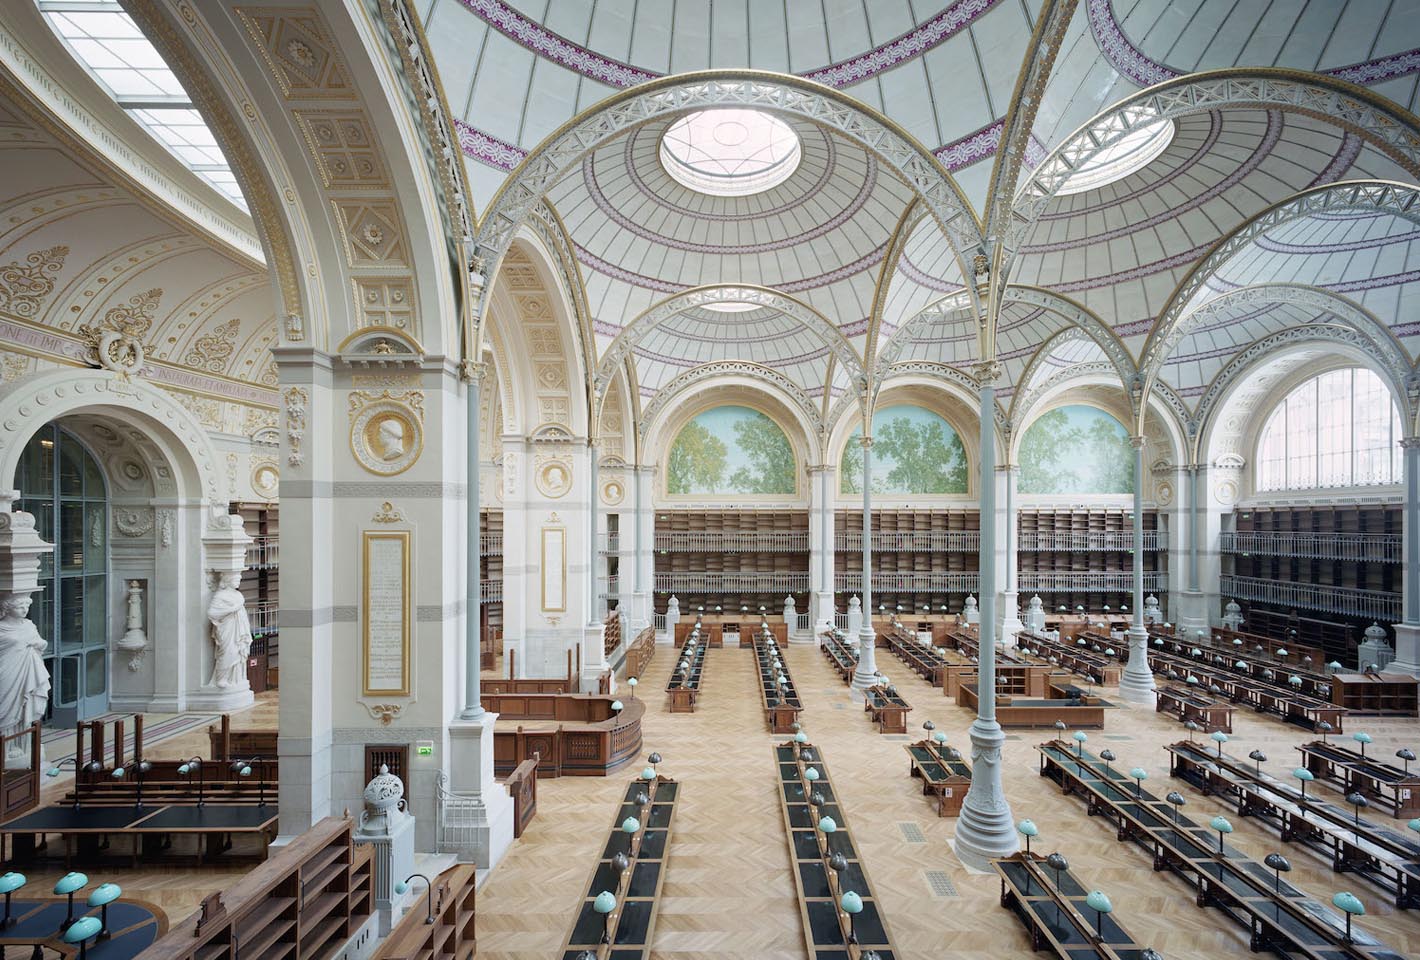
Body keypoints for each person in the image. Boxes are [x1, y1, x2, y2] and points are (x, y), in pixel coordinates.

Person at [0, 594, 50, 735]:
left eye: (26, 606)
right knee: (5, 703)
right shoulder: (1, 627)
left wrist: (38, 644)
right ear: (7, 608)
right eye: (19, 607)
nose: (24, 610)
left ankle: (18, 743)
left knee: (24, 703)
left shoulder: (28, 625)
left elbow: (41, 644)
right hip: (6, 669)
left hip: (27, 670)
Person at [208, 573, 253, 689]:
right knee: (227, 652)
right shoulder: (220, 596)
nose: (238, 582)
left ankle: (236, 678)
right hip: (227, 628)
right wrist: (231, 609)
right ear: (228, 580)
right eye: (236, 580)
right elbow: (212, 613)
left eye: (239, 580)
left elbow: (241, 611)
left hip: (239, 628)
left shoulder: (238, 595)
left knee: (238, 652)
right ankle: (221, 679)